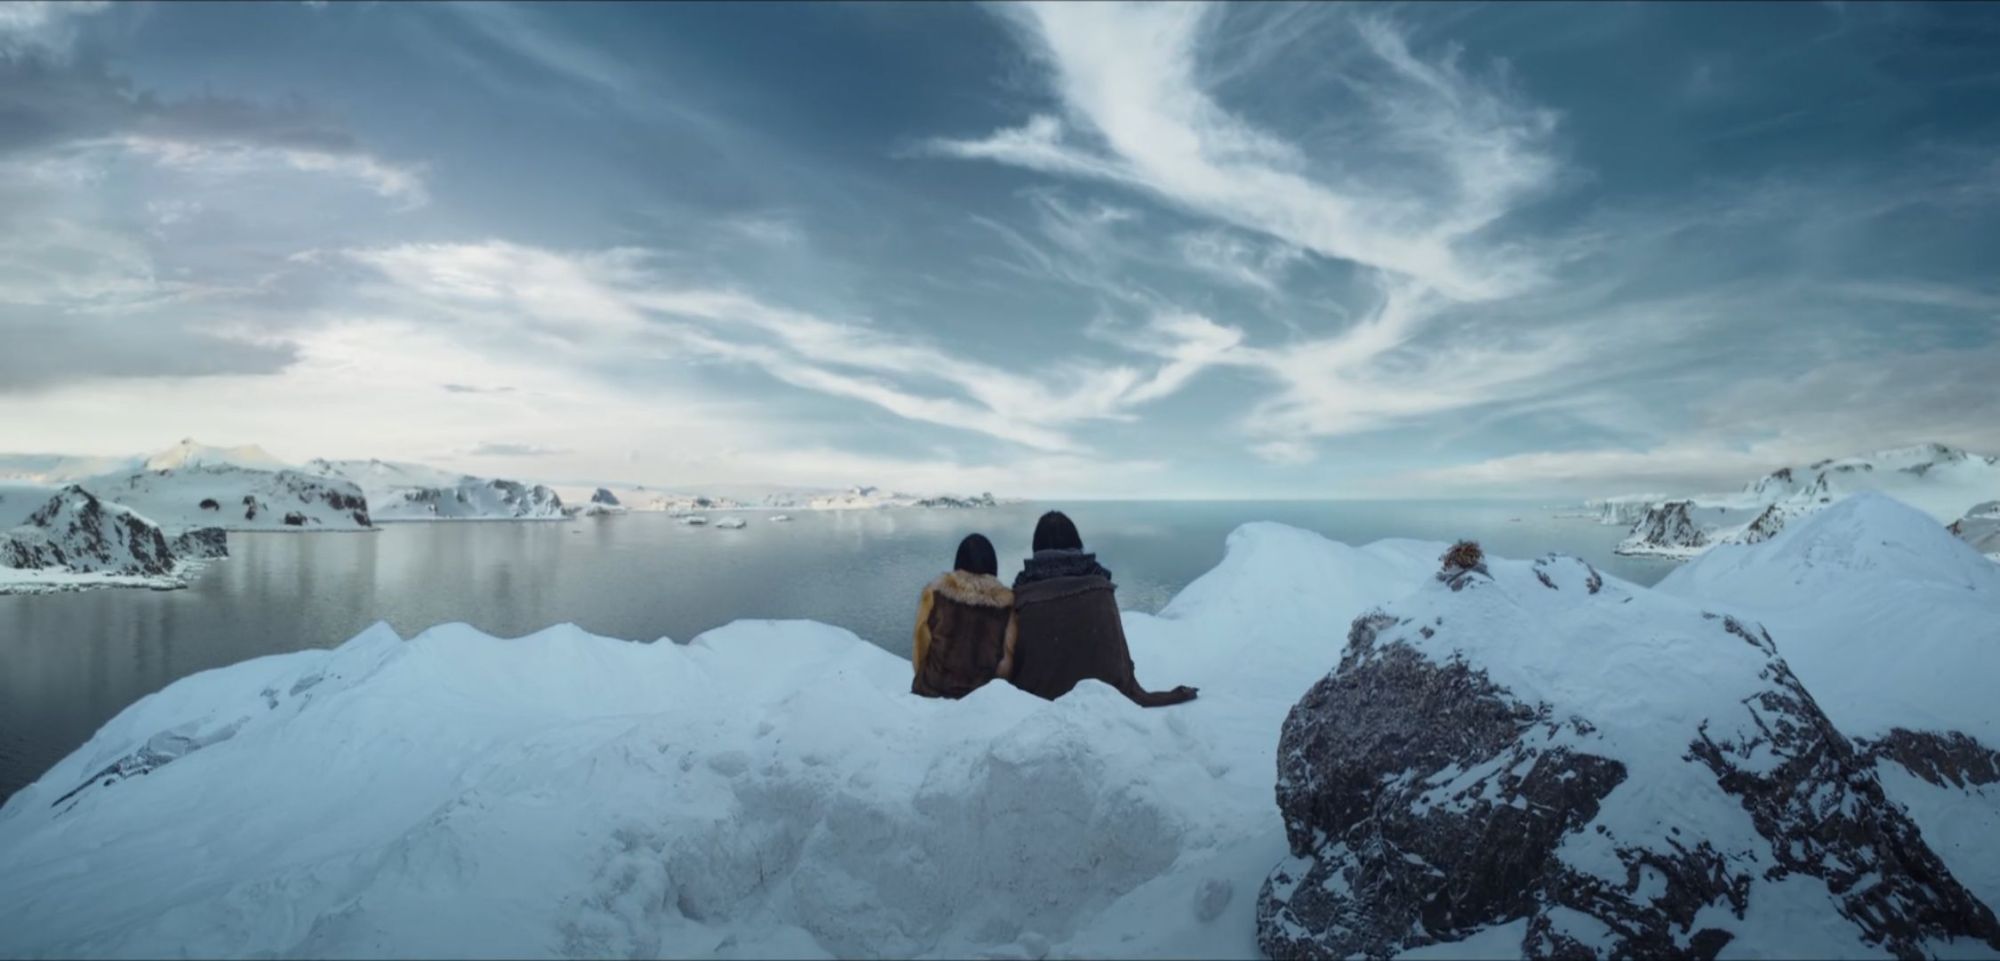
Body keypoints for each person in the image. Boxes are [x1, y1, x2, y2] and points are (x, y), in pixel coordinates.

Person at [1004, 511, 1198, 708]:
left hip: (1037, 702)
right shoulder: (1100, 589)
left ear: (1037, 548)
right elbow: (1119, 659)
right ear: (1076, 542)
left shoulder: (1022, 597)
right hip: (1107, 698)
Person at [911, 533, 1017, 698]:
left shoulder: (935, 595)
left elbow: (920, 650)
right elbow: (1005, 667)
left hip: (931, 692)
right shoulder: (1006, 607)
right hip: (979, 697)